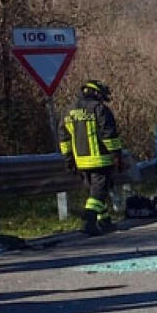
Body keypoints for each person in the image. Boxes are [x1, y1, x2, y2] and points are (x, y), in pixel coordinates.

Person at [60, 79, 125, 235]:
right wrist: (116, 156)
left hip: (81, 162)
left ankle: (104, 221)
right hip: (100, 160)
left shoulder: (68, 111)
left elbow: (64, 139)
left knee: (96, 191)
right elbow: (109, 136)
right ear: (96, 93)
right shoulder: (99, 109)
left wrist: (69, 160)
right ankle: (89, 219)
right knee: (98, 193)